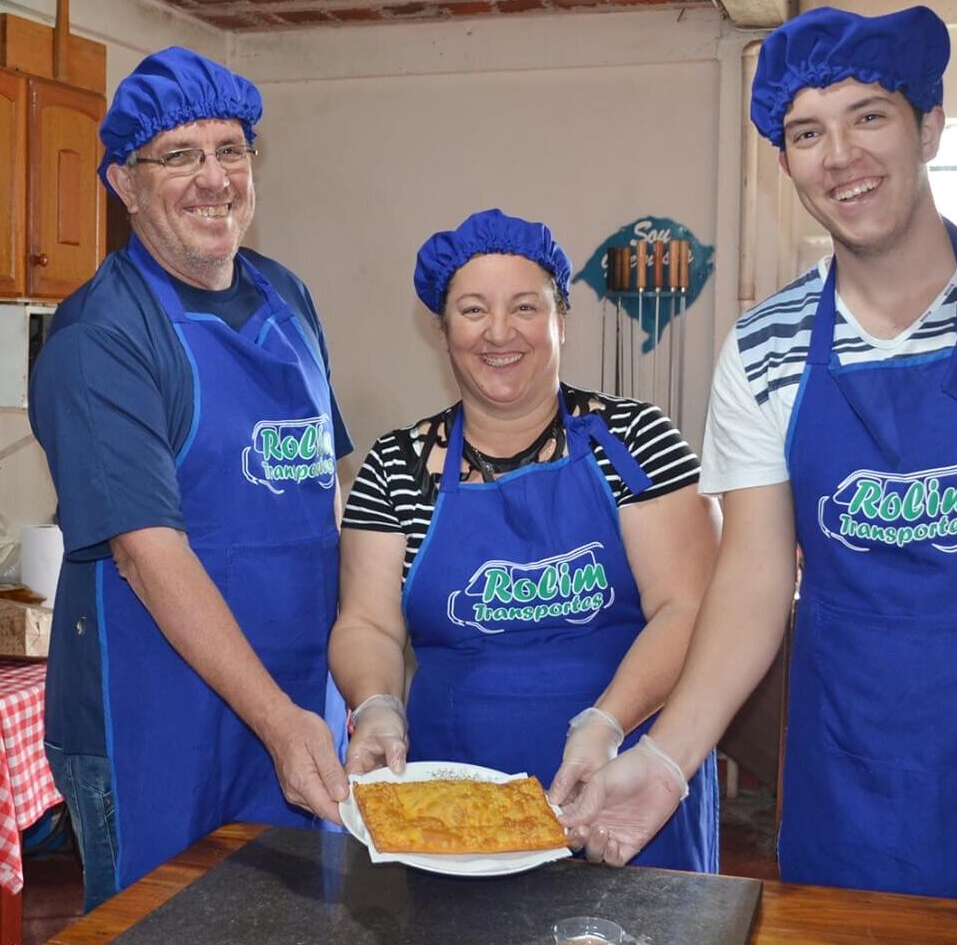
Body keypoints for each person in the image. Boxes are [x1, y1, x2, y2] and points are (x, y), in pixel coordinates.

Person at [562, 6, 957, 929]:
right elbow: (752, 576)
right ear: (787, 167)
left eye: (870, 115)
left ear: (928, 126)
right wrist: (666, 760)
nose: (841, 154)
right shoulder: (765, 346)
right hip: (848, 790)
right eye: (808, 132)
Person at [29, 47, 353, 909]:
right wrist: (282, 719)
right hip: (155, 721)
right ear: (124, 186)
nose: (214, 178)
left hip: (294, 704)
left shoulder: (288, 300)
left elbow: (327, 497)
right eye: (179, 156)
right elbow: (147, 555)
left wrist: (359, 679)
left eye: (232, 150)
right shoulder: (102, 336)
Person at [329, 208, 720, 872]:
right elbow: (367, 621)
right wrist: (378, 703)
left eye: (526, 307)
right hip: (453, 812)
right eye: (474, 310)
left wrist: (608, 723)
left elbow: (689, 608)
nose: (500, 333)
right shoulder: (396, 466)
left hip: (626, 791)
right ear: (443, 330)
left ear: (562, 320)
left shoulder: (636, 442)